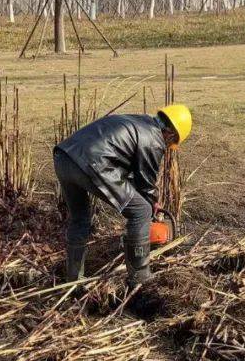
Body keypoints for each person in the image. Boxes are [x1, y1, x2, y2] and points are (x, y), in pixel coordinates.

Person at [53, 105, 192, 289]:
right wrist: (152, 203)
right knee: (141, 211)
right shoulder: (154, 138)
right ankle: (140, 278)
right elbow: (146, 183)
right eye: (171, 143)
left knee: (80, 220)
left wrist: (147, 196)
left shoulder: (139, 122)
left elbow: (127, 170)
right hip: (92, 162)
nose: (167, 146)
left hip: (64, 157)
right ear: (171, 134)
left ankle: (74, 282)